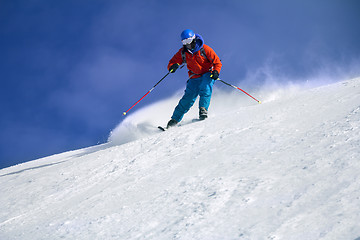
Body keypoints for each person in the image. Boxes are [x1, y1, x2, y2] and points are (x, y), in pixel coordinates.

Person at [166, 29, 222, 128]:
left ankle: (203, 109)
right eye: (184, 42)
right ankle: (174, 120)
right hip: (194, 76)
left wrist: (216, 71)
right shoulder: (183, 52)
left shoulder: (205, 49)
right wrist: (172, 66)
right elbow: (172, 61)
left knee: (205, 87)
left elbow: (217, 62)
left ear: (194, 39)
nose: (187, 44)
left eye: (188, 41)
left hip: (207, 73)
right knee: (188, 98)